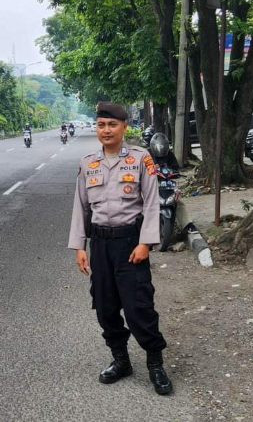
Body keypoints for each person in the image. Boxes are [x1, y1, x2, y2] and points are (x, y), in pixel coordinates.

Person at [68, 102, 173, 396]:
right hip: (100, 245)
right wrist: (79, 246)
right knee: (105, 307)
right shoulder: (88, 163)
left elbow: (151, 203)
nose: (106, 130)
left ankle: (155, 364)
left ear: (124, 127)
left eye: (112, 125)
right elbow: (81, 207)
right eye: (101, 125)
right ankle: (121, 360)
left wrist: (145, 243)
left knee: (139, 307)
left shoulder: (140, 159)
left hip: (130, 244)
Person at [148, 133, 197, 234]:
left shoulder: (170, 155)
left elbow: (176, 168)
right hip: (149, 184)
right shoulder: (146, 155)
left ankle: (188, 225)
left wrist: (173, 172)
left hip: (166, 184)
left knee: (178, 202)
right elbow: (139, 168)